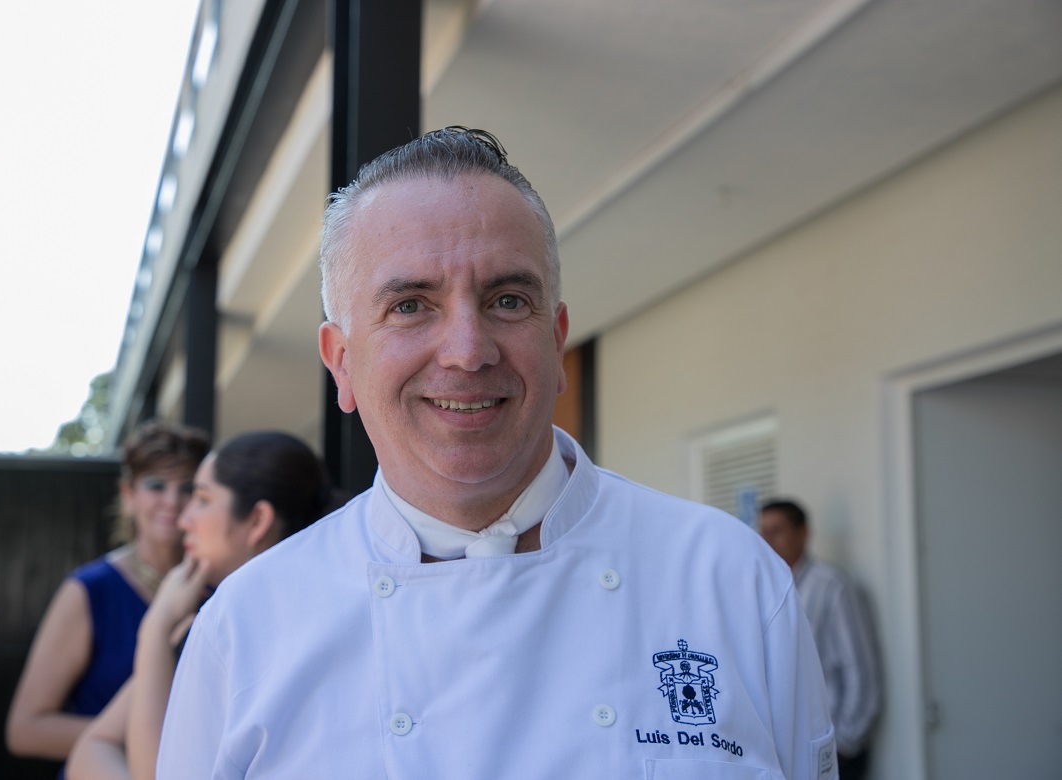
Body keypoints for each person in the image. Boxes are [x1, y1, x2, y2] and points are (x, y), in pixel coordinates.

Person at [158, 127, 835, 779]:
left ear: (557, 340)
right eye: (410, 305)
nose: (467, 351)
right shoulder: (245, 629)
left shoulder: (733, 581)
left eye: (507, 300)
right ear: (341, 363)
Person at [64, 431, 344, 780]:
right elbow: (93, 745)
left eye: (200, 498)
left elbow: (155, 772)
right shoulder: (206, 621)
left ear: (257, 521)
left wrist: (155, 628)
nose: (184, 519)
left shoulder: (278, 634)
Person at [6, 420, 209, 774]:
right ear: (128, 495)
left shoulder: (217, 590)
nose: (173, 501)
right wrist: (140, 735)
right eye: (156, 485)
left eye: (188, 488)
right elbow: (25, 730)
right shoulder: (91, 590)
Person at [760, 498, 882, 780]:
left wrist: (844, 743)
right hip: (786, 749)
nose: (767, 540)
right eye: (763, 531)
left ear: (803, 533)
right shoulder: (768, 589)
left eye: (777, 530)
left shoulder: (831, 585)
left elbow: (860, 669)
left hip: (832, 749)